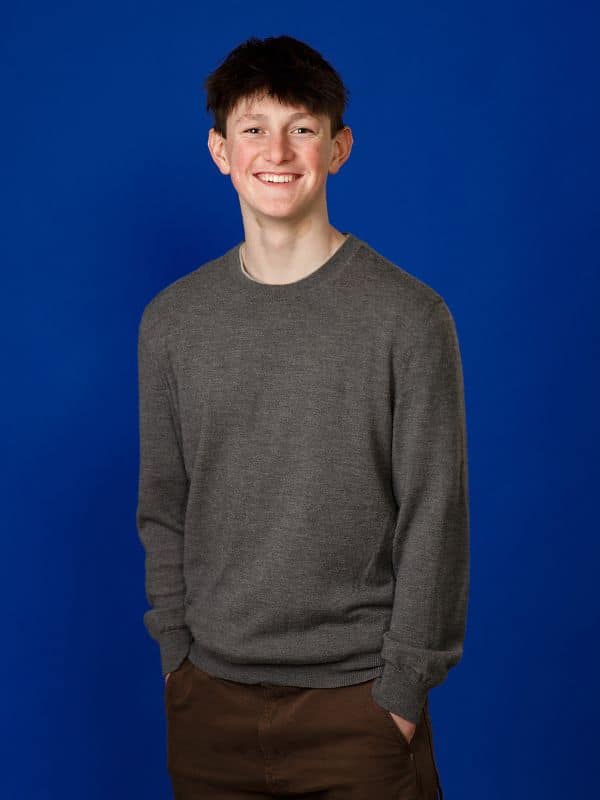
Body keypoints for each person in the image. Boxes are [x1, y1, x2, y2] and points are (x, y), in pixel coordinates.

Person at [136, 34, 469, 800]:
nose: (276, 151)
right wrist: (177, 655)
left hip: (358, 709)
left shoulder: (409, 319)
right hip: (208, 704)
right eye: (254, 128)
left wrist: (402, 691)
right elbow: (164, 502)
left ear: (339, 148)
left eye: (303, 127)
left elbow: (435, 516)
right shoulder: (173, 321)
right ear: (221, 150)